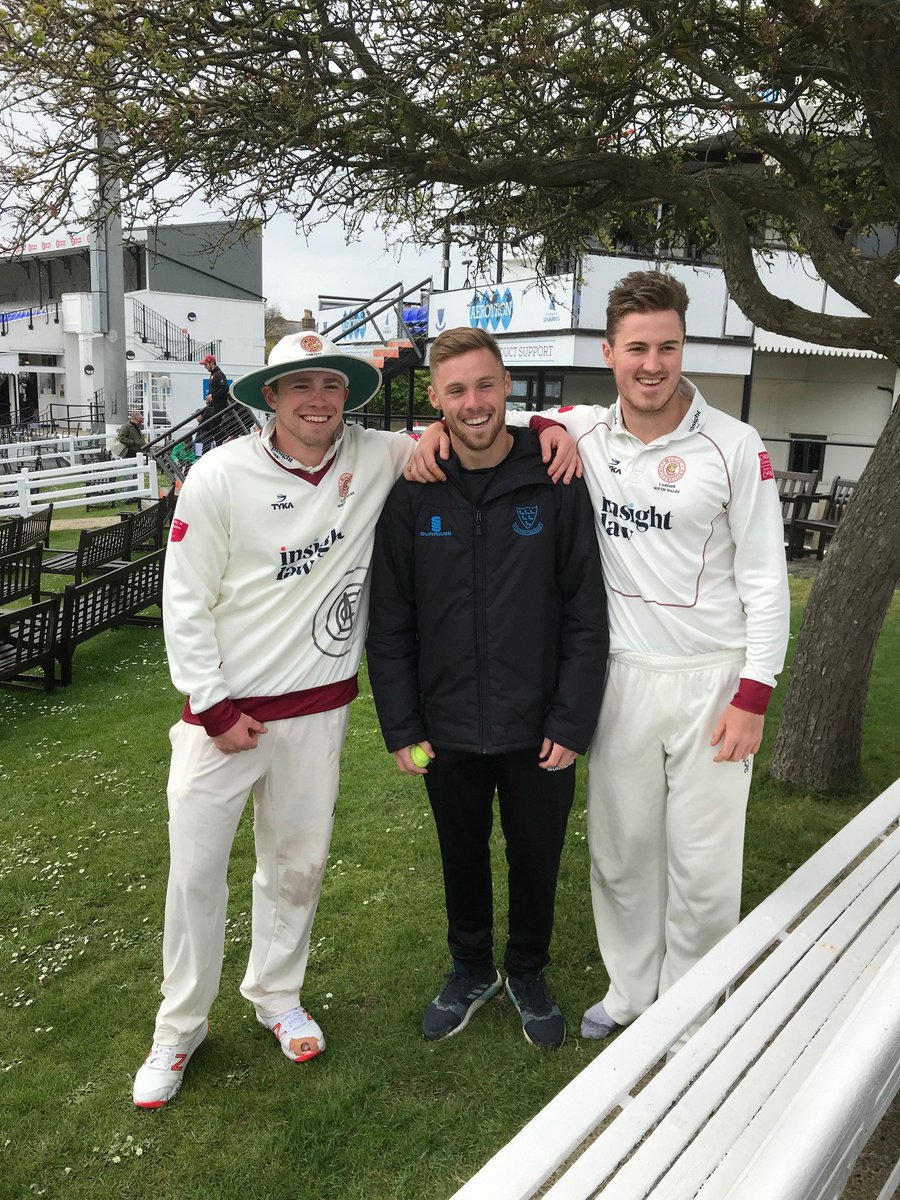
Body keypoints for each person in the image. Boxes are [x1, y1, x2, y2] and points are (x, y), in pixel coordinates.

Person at [411, 272, 790, 1044]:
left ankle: (693, 1007)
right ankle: (629, 991)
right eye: (637, 348)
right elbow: (490, 415)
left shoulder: (734, 444)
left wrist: (755, 690)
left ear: (687, 348)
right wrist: (432, 434)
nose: (653, 364)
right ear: (610, 351)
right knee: (621, 853)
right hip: (618, 677)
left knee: (704, 864)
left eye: (669, 347)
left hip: (710, 679)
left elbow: (764, 575)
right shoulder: (580, 430)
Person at [133, 332, 416, 1109]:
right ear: (269, 398)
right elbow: (184, 598)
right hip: (221, 717)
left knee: (297, 864)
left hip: (317, 712)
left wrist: (559, 426)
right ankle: (180, 1026)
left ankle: (276, 995)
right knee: (194, 877)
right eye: (299, 387)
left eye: (330, 384)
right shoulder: (220, 475)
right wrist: (213, 705)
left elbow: (474, 422)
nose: (318, 400)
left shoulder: (378, 454)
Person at [366, 327, 608, 1050]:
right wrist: (403, 727)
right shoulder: (413, 492)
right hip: (447, 728)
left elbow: (586, 615)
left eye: (485, 385)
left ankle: (527, 970)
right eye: (456, 391)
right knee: (461, 854)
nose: (473, 404)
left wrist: (572, 722)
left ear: (507, 388)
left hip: (540, 726)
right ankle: (470, 967)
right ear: (436, 401)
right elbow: (391, 623)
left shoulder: (556, 479)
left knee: (536, 858)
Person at [198, 353, 231, 449]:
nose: (205, 367)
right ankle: (206, 449)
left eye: (206, 364)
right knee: (202, 426)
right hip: (212, 406)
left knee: (214, 428)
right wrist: (210, 398)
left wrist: (213, 396)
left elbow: (225, 388)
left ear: (211, 363)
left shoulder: (219, 374)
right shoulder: (213, 375)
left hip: (218, 406)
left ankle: (221, 444)